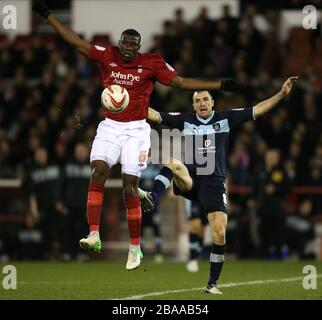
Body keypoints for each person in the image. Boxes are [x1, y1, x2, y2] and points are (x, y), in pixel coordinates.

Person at [32, 0, 243, 271]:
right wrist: (48, 14)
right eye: (125, 43)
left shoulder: (152, 63)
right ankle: (94, 233)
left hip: (137, 130)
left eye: (133, 44)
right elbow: (75, 42)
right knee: (97, 172)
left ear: (139, 47)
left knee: (129, 186)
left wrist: (220, 85)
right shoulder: (107, 55)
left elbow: (179, 83)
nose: (128, 48)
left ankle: (135, 248)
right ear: (119, 43)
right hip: (110, 126)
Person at [139, 76, 298, 293]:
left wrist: (281, 94)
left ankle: (212, 284)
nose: (201, 104)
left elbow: (257, 110)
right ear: (193, 105)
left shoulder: (226, 118)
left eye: (205, 99)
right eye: (197, 101)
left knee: (219, 234)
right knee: (173, 163)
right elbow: (155, 115)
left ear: (213, 103)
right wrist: (129, 102)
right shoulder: (185, 120)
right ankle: (152, 197)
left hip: (214, 183)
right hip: (192, 178)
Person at [185, 199, 208, 272]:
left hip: (207, 196)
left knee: (202, 230)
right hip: (193, 196)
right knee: (195, 225)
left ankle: (197, 254)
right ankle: (192, 259)